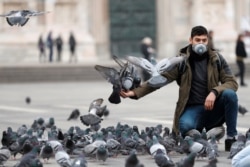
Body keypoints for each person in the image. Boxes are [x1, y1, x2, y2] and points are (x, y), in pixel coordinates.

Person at [120, 25, 239, 152]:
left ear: (207, 41)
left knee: (230, 95)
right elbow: (161, 79)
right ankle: (199, 133)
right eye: (197, 40)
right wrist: (135, 92)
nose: (201, 43)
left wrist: (215, 92)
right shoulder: (180, 61)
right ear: (191, 40)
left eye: (204, 40)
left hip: (213, 106)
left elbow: (232, 82)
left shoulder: (217, 59)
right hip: (192, 108)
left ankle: (231, 137)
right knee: (184, 126)